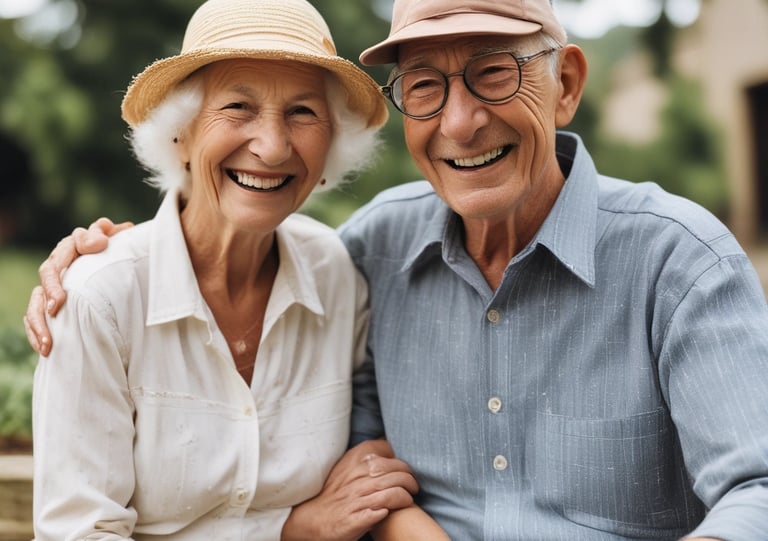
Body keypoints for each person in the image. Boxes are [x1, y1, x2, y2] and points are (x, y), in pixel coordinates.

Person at [25, 0, 768, 539]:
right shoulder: (373, 253)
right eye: (424, 86)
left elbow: (757, 489)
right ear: (179, 133)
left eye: (494, 74)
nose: (459, 122)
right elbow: (369, 465)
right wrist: (102, 262)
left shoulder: (679, 260)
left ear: (567, 83)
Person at [21, 0, 458, 539]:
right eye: (237, 107)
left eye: (303, 112)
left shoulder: (339, 274)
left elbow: (373, 470)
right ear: (180, 133)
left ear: (332, 147)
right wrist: (289, 531)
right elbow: (81, 532)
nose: (272, 147)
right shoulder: (99, 298)